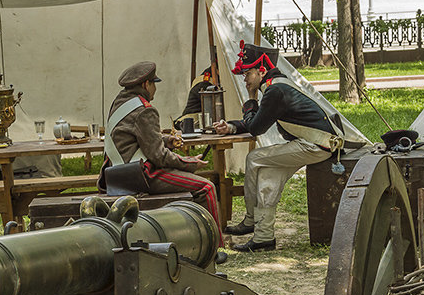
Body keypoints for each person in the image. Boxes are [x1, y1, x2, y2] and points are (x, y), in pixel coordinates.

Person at [212, 42, 348, 253]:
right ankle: (264, 238)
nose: (245, 79)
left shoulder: (274, 90)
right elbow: (257, 121)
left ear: (262, 71)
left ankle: (249, 220)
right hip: (315, 144)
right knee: (268, 176)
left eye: (248, 73)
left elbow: (256, 127)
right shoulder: (276, 85)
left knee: (254, 158)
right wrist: (230, 127)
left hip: (317, 145)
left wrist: (250, 99)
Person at [100, 61, 222, 244]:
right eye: (154, 83)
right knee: (207, 188)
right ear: (145, 85)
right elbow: (159, 156)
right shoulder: (144, 110)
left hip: (116, 173)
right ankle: (215, 246)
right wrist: (189, 163)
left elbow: (135, 139)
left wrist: (166, 141)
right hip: (139, 175)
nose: (155, 89)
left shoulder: (120, 103)